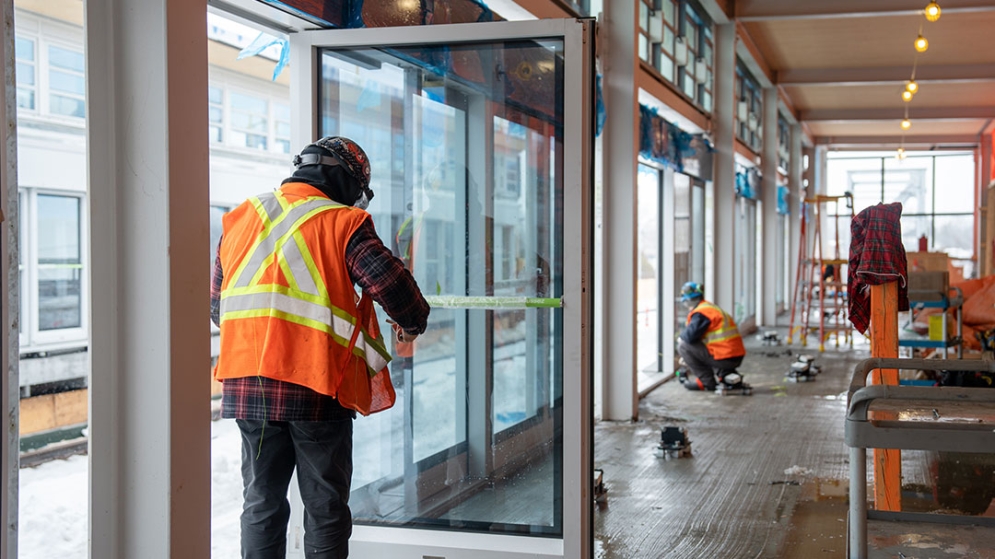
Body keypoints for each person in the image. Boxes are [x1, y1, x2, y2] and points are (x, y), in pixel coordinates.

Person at [210, 136, 430, 559]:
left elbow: (218, 307)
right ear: (346, 180)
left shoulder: (242, 217)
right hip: (314, 383)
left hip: (248, 384)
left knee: (261, 503)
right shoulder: (341, 222)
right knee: (325, 508)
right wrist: (412, 322)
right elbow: (391, 285)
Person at [676, 282, 746, 391]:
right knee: (701, 346)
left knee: (683, 346)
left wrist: (680, 339)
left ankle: (706, 382)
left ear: (689, 300)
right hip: (734, 355)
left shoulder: (702, 313)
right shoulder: (711, 308)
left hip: (724, 357)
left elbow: (689, 336)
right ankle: (726, 374)